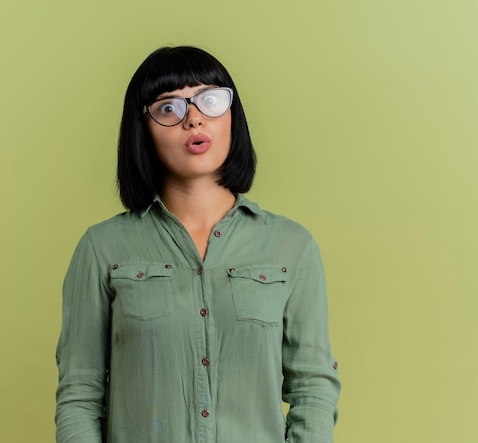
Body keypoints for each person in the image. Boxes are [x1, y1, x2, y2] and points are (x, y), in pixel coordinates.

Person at [55, 46, 340, 443]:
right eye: (168, 108)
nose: (193, 119)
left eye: (209, 100)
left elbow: (312, 387)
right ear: (143, 129)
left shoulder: (292, 247)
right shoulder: (102, 248)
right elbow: (80, 395)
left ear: (231, 115)